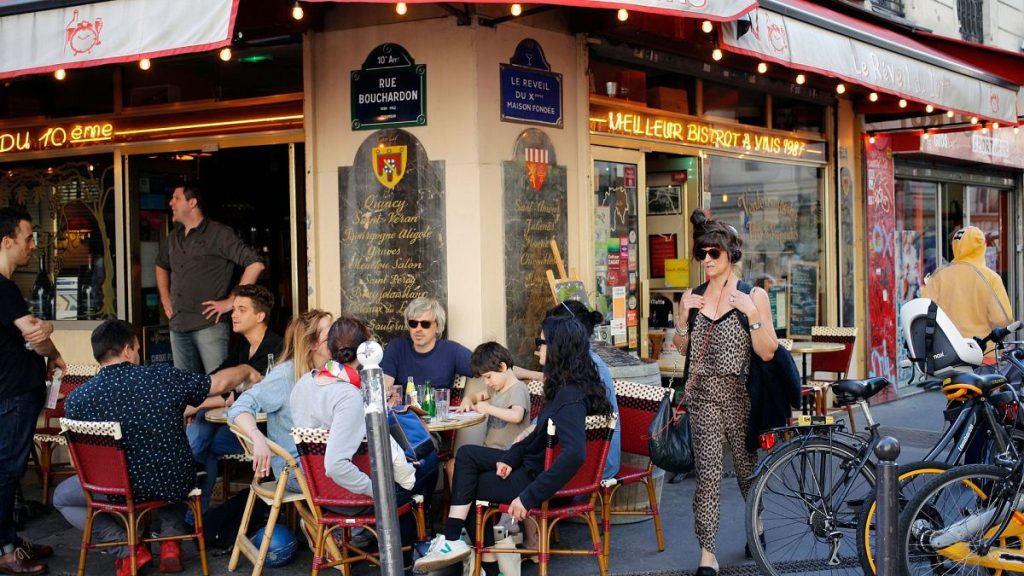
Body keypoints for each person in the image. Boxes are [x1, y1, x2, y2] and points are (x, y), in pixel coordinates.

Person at [53, 319, 260, 576]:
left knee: (62, 499)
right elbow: (216, 384)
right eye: (138, 349)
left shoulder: (78, 398)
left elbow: (77, 463)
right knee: (166, 468)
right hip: (172, 481)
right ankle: (170, 543)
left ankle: (128, 549)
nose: (139, 354)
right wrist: (245, 369)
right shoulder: (162, 377)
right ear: (128, 349)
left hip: (117, 487)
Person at [414, 315, 613, 576]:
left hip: (534, 478)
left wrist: (528, 497)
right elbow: (536, 435)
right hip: (530, 465)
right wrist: (511, 457)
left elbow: (575, 454)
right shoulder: (568, 389)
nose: (536, 348)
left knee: (466, 480)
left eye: (540, 342)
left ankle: (469, 553)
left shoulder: (569, 397)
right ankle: (464, 549)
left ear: (557, 346)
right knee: (466, 457)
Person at [672, 209, 778, 576]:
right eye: (701, 254)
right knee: (707, 476)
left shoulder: (753, 295)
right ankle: (707, 552)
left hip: (740, 397)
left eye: (713, 254)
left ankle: (757, 524)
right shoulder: (693, 296)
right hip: (703, 397)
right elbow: (682, 349)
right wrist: (683, 319)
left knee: (749, 472)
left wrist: (753, 315)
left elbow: (767, 351)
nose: (706, 261)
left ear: (731, 254)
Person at [290, 316, 433, 572]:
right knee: (429, 463)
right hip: (352, 495)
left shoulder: (303, 384)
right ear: (367, 351)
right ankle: (414, 553)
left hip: (320, 495)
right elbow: (334, 465)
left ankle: (411, 548)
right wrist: (378, 490)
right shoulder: (348, 395)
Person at [0, 207, 65, 575]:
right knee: (7, 471)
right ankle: (6, 550)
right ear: (7, 241)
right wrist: (48, 334)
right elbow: (34, 336)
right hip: (12, 393)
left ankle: (13, 540)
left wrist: (51, 346)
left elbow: (36, 337)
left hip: (14, 392)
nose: (33, 245)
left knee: (9, 470)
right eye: (28, 238)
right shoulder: (3, 286)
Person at [184, 284, 283, 510]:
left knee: (199, 434)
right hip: (244, 429)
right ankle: (197, 516)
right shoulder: (242, 348)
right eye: (234, 309)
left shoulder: (276, 348)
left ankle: (189, 514)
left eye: (241, 309)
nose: (234, 315)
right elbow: (217, 379)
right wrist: (194, 403)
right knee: (201, 435)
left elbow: (244, 395)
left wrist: (195, 406)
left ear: (260, 315)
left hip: (268, 434)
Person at [155, 183, 264, 375]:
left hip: (209, 325)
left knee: (218, 384)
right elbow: (160, 265)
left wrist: (232, 302)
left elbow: (255, 264)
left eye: (176, 198)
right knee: (183, 389)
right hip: (178, 324)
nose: (171, 202)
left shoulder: (219, 234)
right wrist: (164, 297)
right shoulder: (174, 236)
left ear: (192, 203)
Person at [228, 309, 333, 492]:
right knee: (375, 481)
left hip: (325, 462)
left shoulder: (331, 370)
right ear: (314, 344)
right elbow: (240, 406)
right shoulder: (286, 375)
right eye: (331, 333)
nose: (339, 336)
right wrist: (256, 436)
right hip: (296, 470)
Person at [515, 300, 621, 480]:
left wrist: (530, 433)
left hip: (596, 460)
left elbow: (568, 420)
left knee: (513, 465)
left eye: (546, 339)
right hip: (584, 453)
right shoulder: (575, 362)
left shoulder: (586, 368)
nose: (542, 345)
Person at [922, 225, 1013, 347]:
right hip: (982, 351)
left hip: (947, 352)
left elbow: (924, 310)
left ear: (955, 246)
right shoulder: (991, 277)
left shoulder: (938, 276)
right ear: (982, 247)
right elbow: (1003, 319)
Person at [381, 297, 473, 394]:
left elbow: (487, 369)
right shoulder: (396, 348)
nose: (418, 329)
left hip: (436, 408)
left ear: (438, 327)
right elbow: (384, 388)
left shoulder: (452, 351)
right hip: (404, 408)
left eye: (425, 324)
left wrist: (474, 398)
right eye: (413, 323)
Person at [464, 342, 530, 450]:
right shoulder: (494, 389)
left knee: (465, 452)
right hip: (490, 449)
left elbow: (516, 416)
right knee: (453, 463)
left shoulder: (518, 389)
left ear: (502, 367)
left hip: (508, 453)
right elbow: (475, 397)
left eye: (488, 377)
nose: (486, 382)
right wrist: (467, 400)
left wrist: (488, 408)